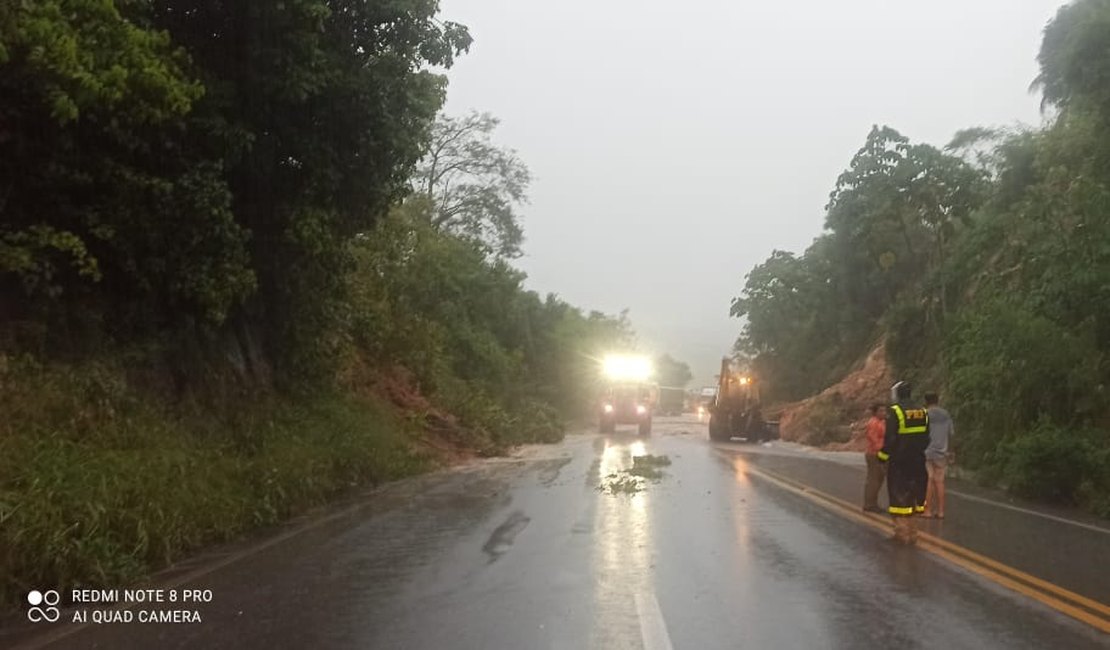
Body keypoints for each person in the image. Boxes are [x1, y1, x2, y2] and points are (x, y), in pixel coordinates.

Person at [877, 381, 930, 544]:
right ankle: (913, 533)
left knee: (898, 496)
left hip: (899, 462)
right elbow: (927, 437)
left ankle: (901, 534)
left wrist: (882, 456)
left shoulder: (895, 412)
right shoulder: (922, 411)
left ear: (897, 394)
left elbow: (890, 439)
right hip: (918, 460)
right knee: (914, 495)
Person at [923, 392, 953, 519]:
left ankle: (927, 510)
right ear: (938, 400)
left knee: (928, 480)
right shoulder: (946, 415)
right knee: (940, 481)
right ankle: (941, 511)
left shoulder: (924, 414)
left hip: (927, 452)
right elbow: (951, 433)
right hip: (942, 452)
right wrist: (951, 451)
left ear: (926, 401)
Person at [862, 403, 887, 513]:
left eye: (884, 411)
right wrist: (881, 450)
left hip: (880, 453)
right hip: (874, 454)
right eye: (881, 411)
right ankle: (869, 504)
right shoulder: (873, 423)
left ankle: (872, 503)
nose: (883, 413)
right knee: (874, 480)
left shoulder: (882, 422)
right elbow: (873, 439)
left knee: (878, 479)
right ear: (875, 412)